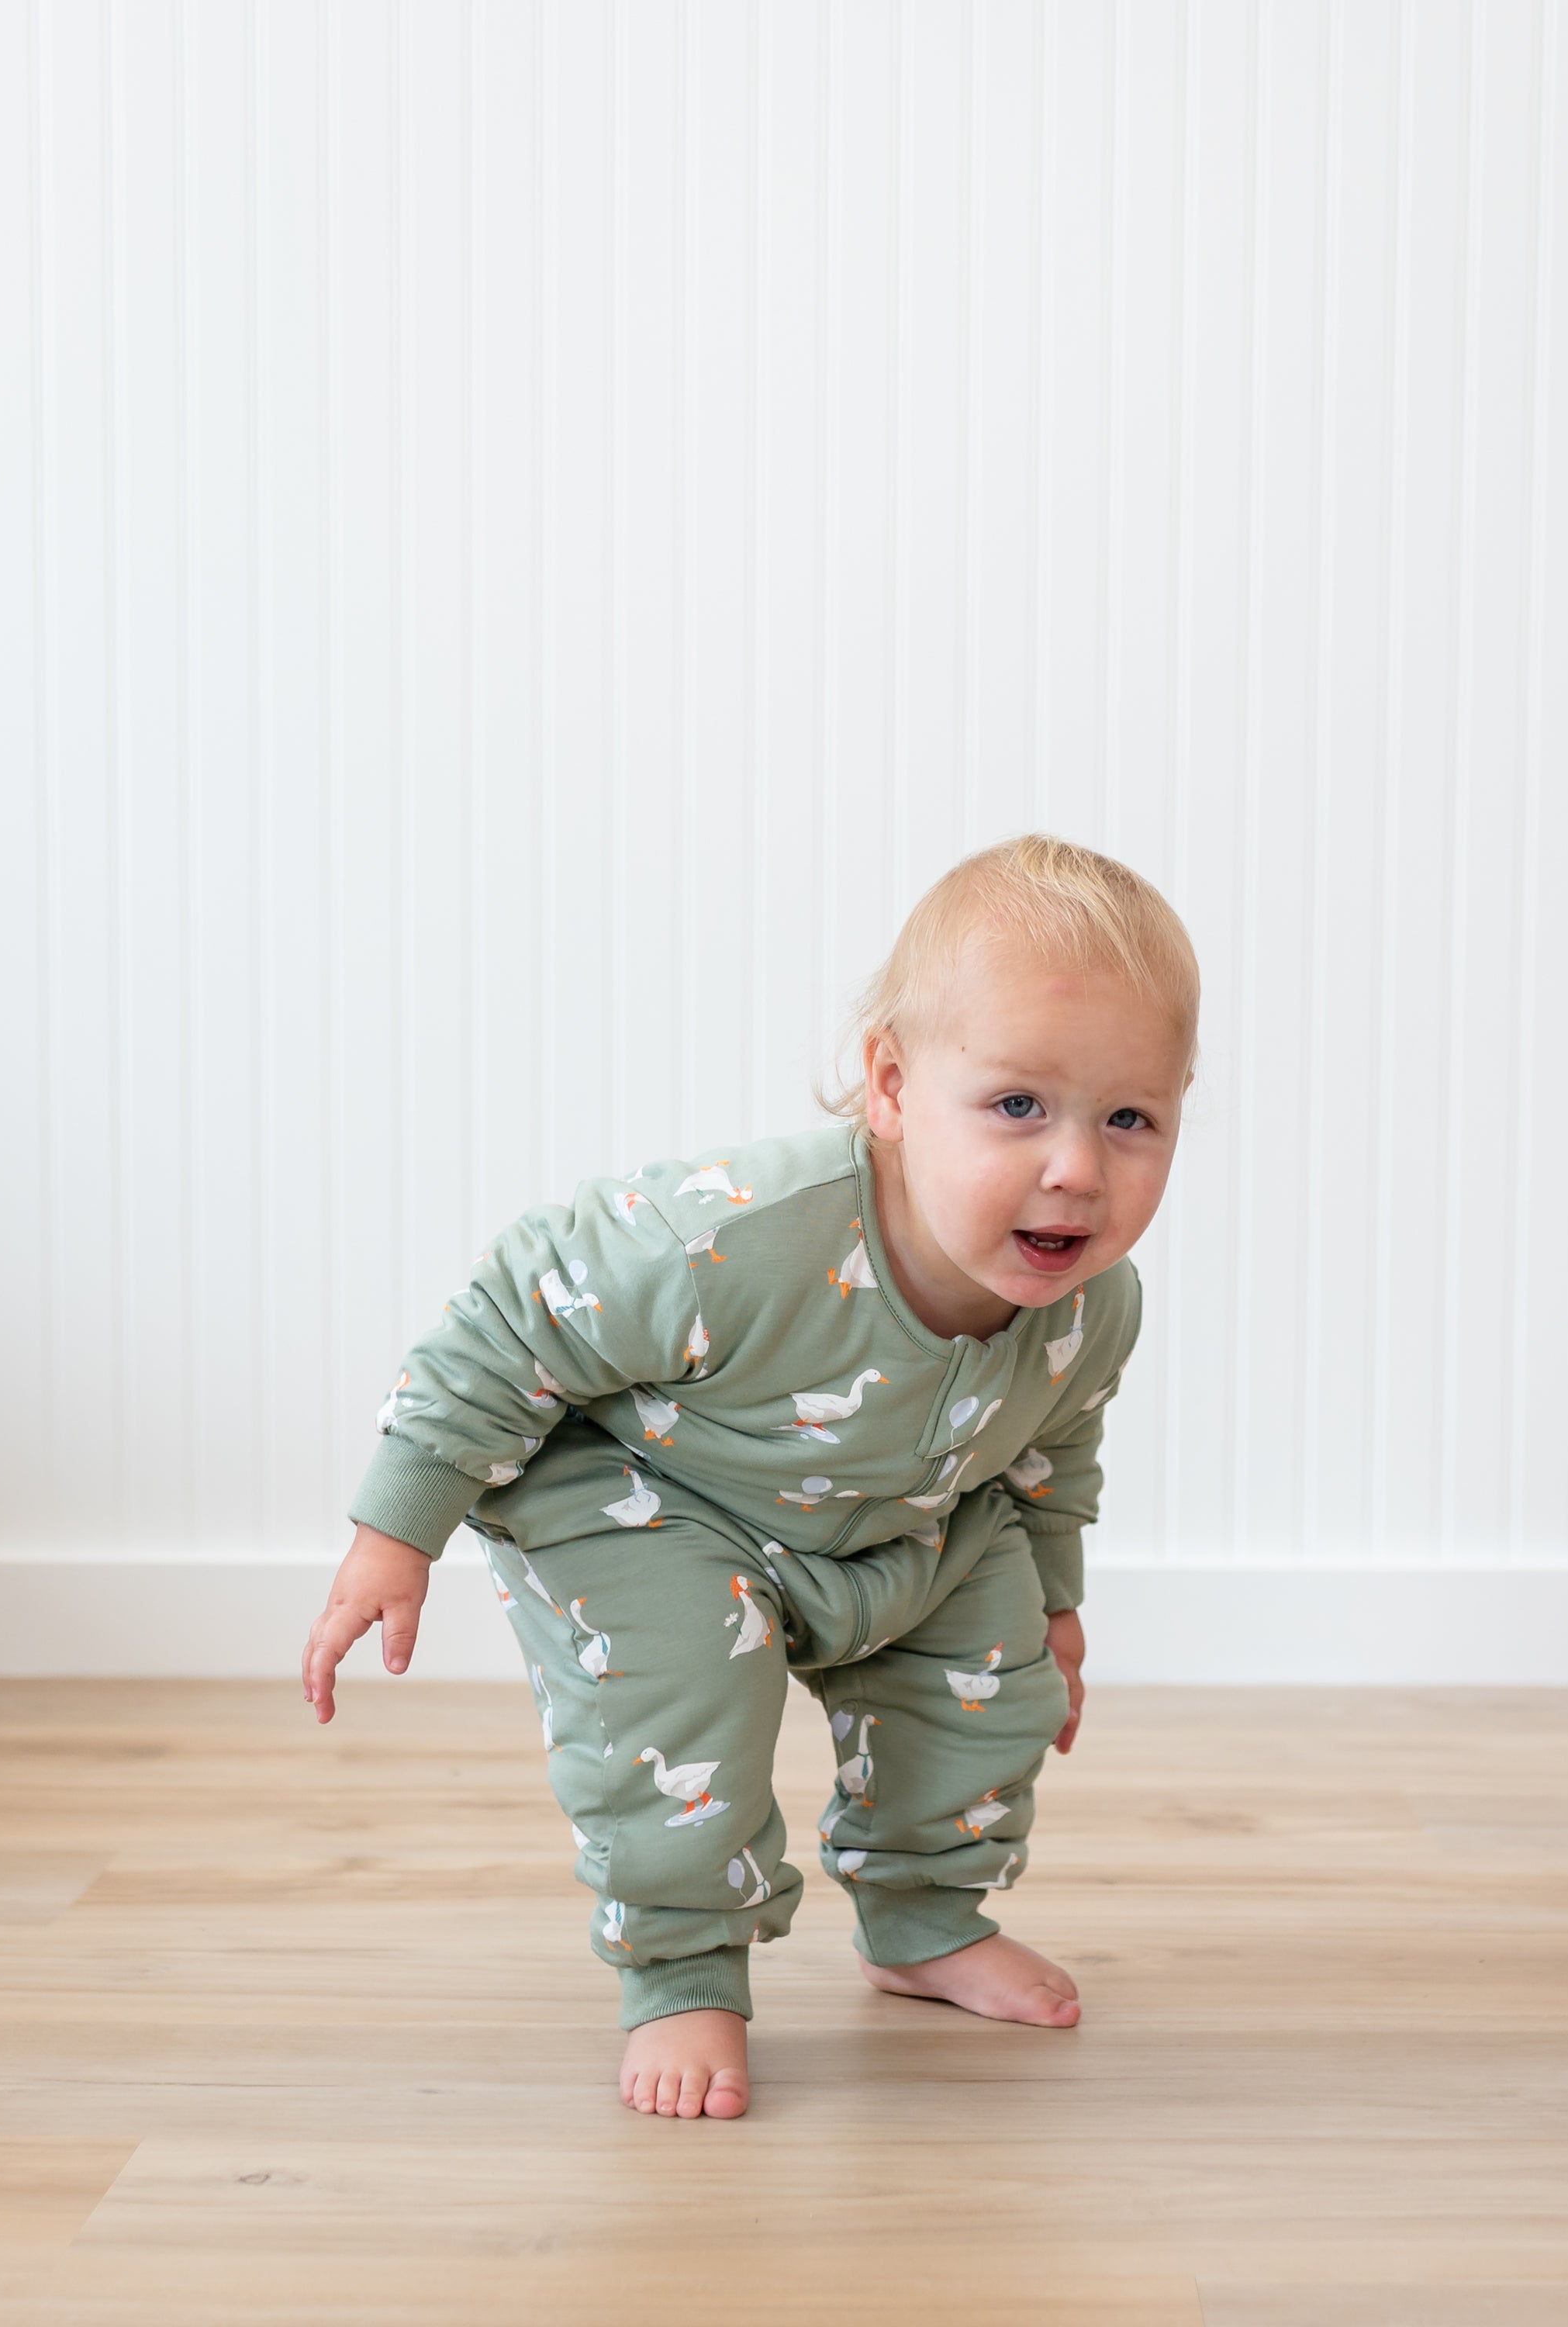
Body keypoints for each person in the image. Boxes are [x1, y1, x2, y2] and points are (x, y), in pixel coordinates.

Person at [301, 833, 1199, 2120]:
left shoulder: (1091, 1308)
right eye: (1017, 1107)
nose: (1077, 1167)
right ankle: (683, 1973)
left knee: (991, 1692)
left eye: (1131, 1119)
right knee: (684, 1716)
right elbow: (517, 1311)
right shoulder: (735, 1239)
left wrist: (1052, 1595)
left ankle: (923, 1922)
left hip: (906, 1522)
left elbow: (1054, 1450)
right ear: (891, 1087)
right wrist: (400, 1526)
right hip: (650, 1501)